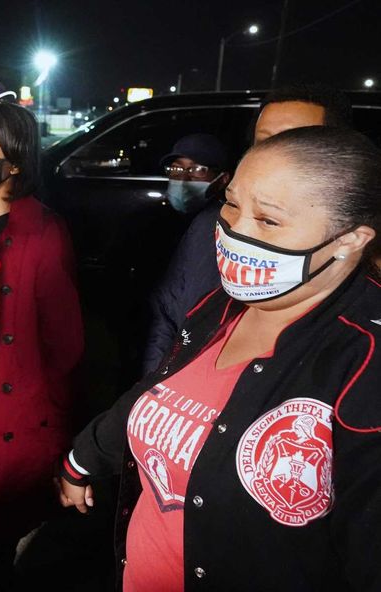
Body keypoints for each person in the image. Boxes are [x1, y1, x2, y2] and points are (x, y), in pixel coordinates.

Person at [60, 126, 381, 591]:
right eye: (231, 204)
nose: (234, 230)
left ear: (351, 239)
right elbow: (163, 389)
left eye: (268, 221)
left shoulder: (363, 364)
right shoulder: (223, 304)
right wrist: (88, 454)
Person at [141, 84, 353, 374]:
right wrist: (157, 385)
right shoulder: (211, 225)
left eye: (296, 142)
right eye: (265, 142)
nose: (276, 157)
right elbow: (169, 312)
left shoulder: (350, 248)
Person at [0, 102, 84, 590]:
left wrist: (61, 442)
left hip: (10, 422)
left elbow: (64, 346)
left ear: (14, 162)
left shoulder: (44, 232)